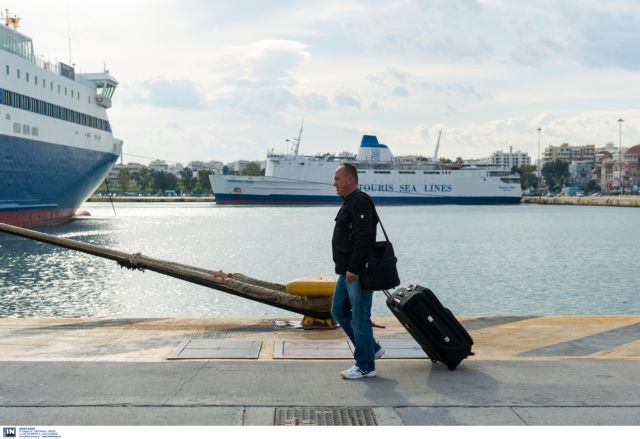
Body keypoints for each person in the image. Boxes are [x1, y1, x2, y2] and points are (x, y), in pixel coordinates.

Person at [331, 163, 384, 379]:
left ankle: (365, 365)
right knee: (339, 310)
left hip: (357, 271)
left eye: (337, 179)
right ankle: (371, 348)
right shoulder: (350, 201)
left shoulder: (360, 201)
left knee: (360, 316)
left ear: (350, 179)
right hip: (347, 271)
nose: (334, 183)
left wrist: (354, 268)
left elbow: (364, 237)